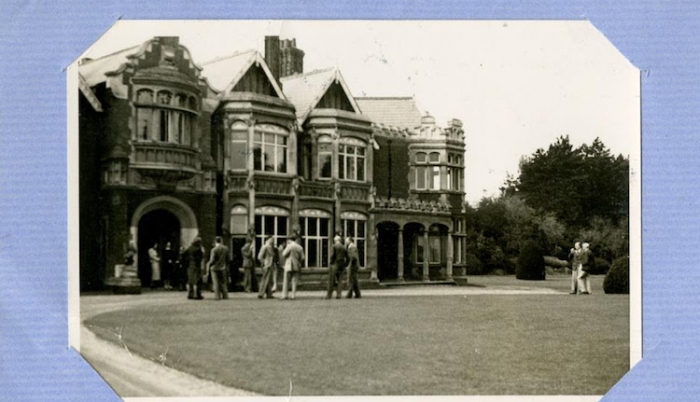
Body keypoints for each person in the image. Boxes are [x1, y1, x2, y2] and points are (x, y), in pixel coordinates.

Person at [326, 235, 348, 299]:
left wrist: (331, 262)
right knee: (340, 280)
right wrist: (345, 264)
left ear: (335, 240)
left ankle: (329, 295)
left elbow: (333, 255)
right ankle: (339, 294)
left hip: (335, 264)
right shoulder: (344, 247)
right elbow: (348, 257)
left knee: (331, 280)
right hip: (342, 265)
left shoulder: (334, 246)